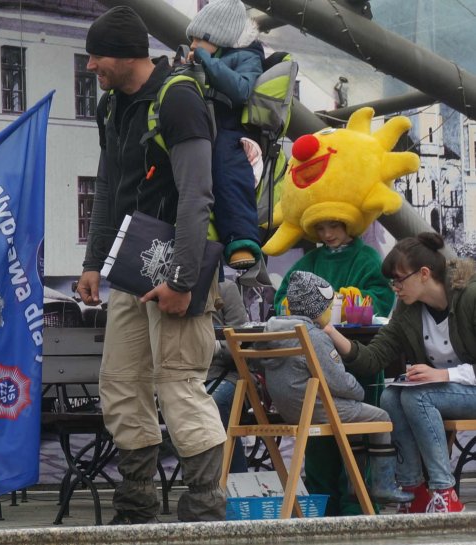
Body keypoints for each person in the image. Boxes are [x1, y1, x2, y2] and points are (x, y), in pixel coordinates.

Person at [75, 6, 227, 523]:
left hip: (176, 265)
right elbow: (109, 187)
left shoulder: (178, 97)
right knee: (120, 382)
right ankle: (137, 504)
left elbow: (195, 197)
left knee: (180, 382)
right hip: (129, 267)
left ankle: (205, 508)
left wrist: (182, 280)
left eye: (97, 57)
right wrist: (95, 262)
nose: (91, 66)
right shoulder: (112, 106)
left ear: (123, 54)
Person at [324, 233, 476, 514]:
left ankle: (444, 492)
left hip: (464, 388)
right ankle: (413, 491)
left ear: (424, 274)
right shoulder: (408, 308)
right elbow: (373, 358)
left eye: (398, 279)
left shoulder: (470, 297)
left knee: (417, 397)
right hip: (442, 394)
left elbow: (439, 380)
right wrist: (330, 331)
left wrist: (444, 375)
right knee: (392, 396)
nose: (394, 287)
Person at [262, 271, 412, 505]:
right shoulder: (314, 336)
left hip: (289, 409)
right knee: (379, 416)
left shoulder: (273, 330)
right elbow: (339, 381)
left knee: (353, 418)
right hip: (315, 409)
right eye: (329, 306)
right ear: (318, 308)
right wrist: (359, 392)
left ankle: (356, 486)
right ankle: (380, 485)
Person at [185, 0, 264, 269]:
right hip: (199, 127)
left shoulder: (247, 56)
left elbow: (241, 89)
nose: (193, 45)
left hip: (229, 130)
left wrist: (205, 62)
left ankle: (240, 239)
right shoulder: (205, 58)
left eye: (199, 38)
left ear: (219, 37)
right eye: (191, 39)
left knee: (225, 168)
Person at [272, 219, 395, 319]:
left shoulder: (369, 258)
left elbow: (382, 300)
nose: (327, 234)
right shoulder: (310, 260)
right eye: (320, 228)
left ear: (347, 222)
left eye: (334, 226)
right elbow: (282, 298)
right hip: (314, 341)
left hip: (358, 341)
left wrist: (338, 304)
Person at [206, 278, 250, 474]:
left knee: (212, 402)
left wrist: (213, 348)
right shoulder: (166, 289)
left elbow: (242, 343)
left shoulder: (225, 288)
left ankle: (235, 481)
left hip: (226, 373)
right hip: (182, 375)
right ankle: (204, 482)